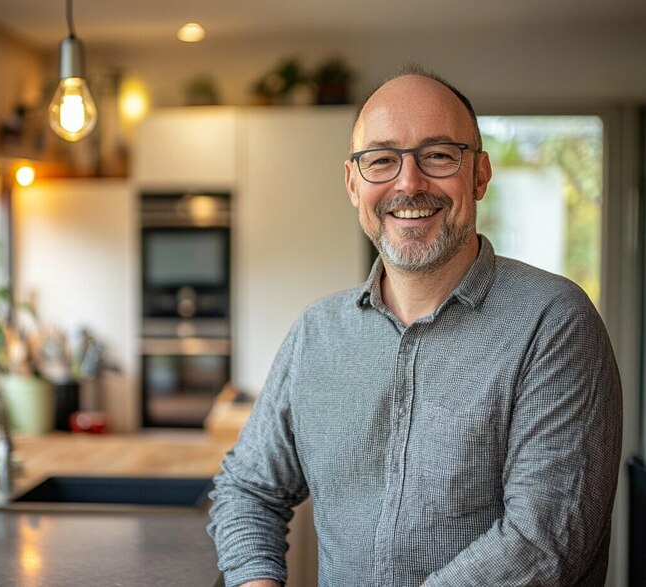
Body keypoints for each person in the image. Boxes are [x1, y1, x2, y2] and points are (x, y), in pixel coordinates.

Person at [207, 64, 623, 587]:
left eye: (439, 155)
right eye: (381, 160)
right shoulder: (317, 334)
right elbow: (247, 489)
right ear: (353, 184)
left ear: (479, 174)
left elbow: (541, 545)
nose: (409, 183)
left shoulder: (554, 322)